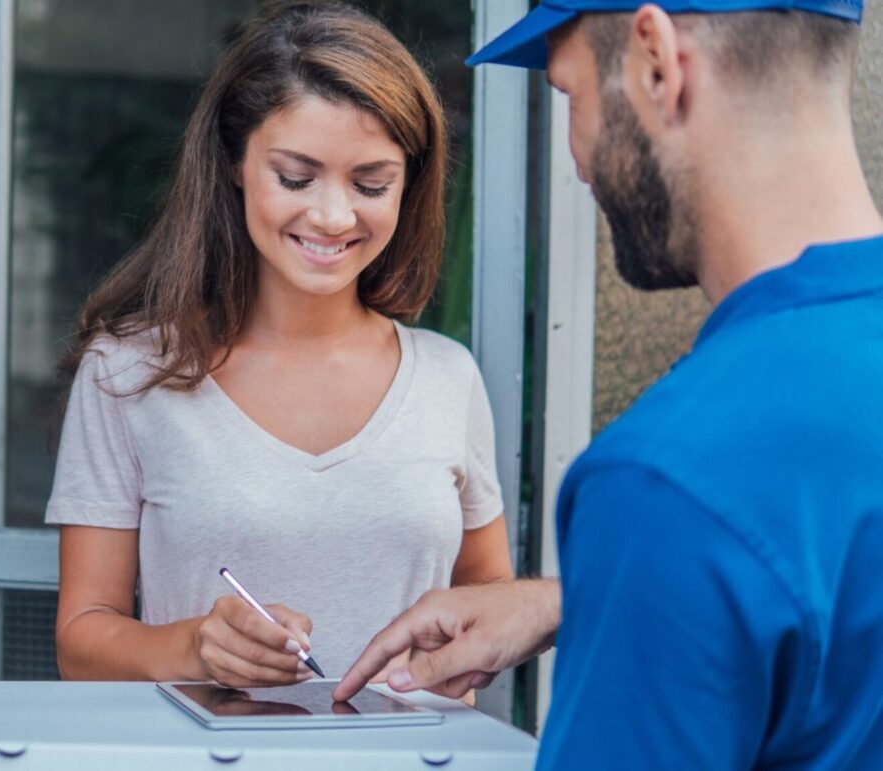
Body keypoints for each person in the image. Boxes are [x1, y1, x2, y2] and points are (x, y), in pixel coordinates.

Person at [335, 0, 883, 766]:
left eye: (570, 93)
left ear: (657, 60)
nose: (578, 157)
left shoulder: (671, 477)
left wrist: (642, 575)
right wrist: (584, 600)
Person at [45, 1, 514, 688]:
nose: (332, 215)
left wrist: (460, 659)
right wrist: (197, 646)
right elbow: (80, 639)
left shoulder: (450, 378)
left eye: (371, 183)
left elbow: (489, 608)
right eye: (296, 177)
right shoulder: (128, 372)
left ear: (409, 184)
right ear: (234, 163)